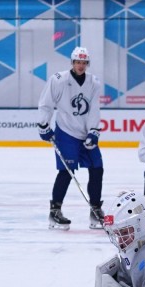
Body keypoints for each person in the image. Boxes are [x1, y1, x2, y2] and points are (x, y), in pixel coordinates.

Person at [37, 46, 104, 230]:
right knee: (67, 171)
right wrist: (43, 125)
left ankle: (96, 210)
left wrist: (93, 131)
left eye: (84, 63)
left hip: (85, 133)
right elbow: (46, 103)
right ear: (72, 63)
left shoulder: (94, 82)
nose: (81, 66)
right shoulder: (59, 80)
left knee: (97, 168)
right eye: (78, 62)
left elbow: (94, 108)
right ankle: (55, 212)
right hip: (66, 132)